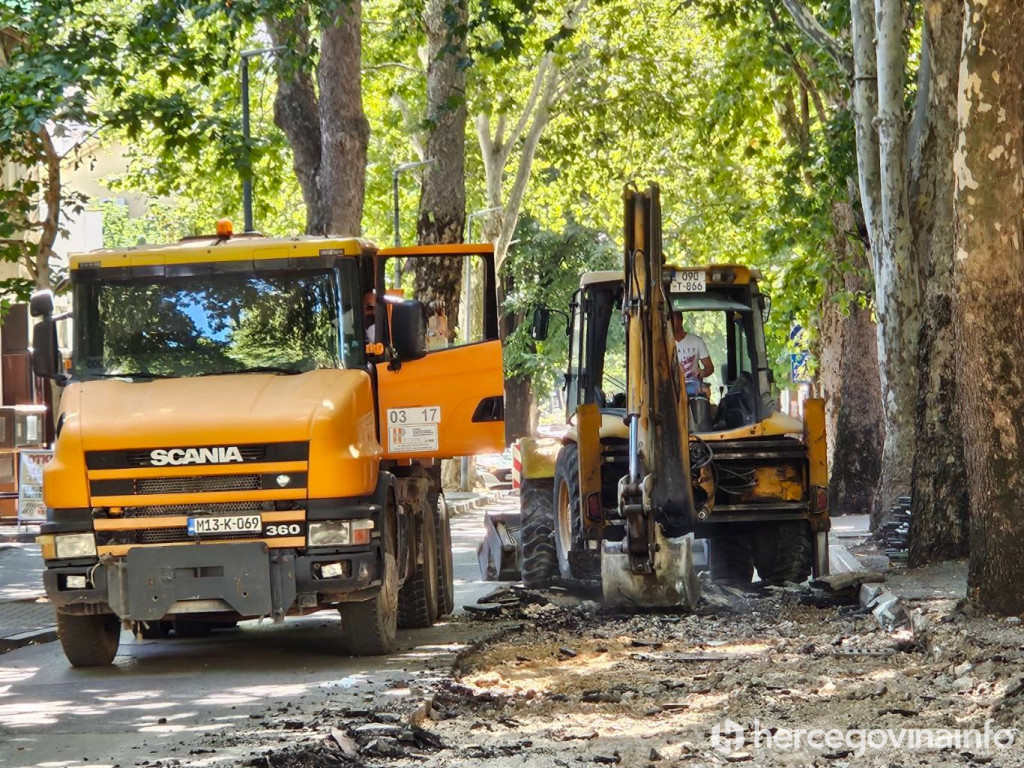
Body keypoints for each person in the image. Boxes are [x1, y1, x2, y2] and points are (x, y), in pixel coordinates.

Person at [672, 311, 714, 395]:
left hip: (691, 383)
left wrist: (702, 372)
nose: (671, 323)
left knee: (705, 390)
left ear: (681, 321)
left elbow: (709, 367)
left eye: (673, 319)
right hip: (671, 385)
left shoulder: (697, 341)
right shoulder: (663, 344)